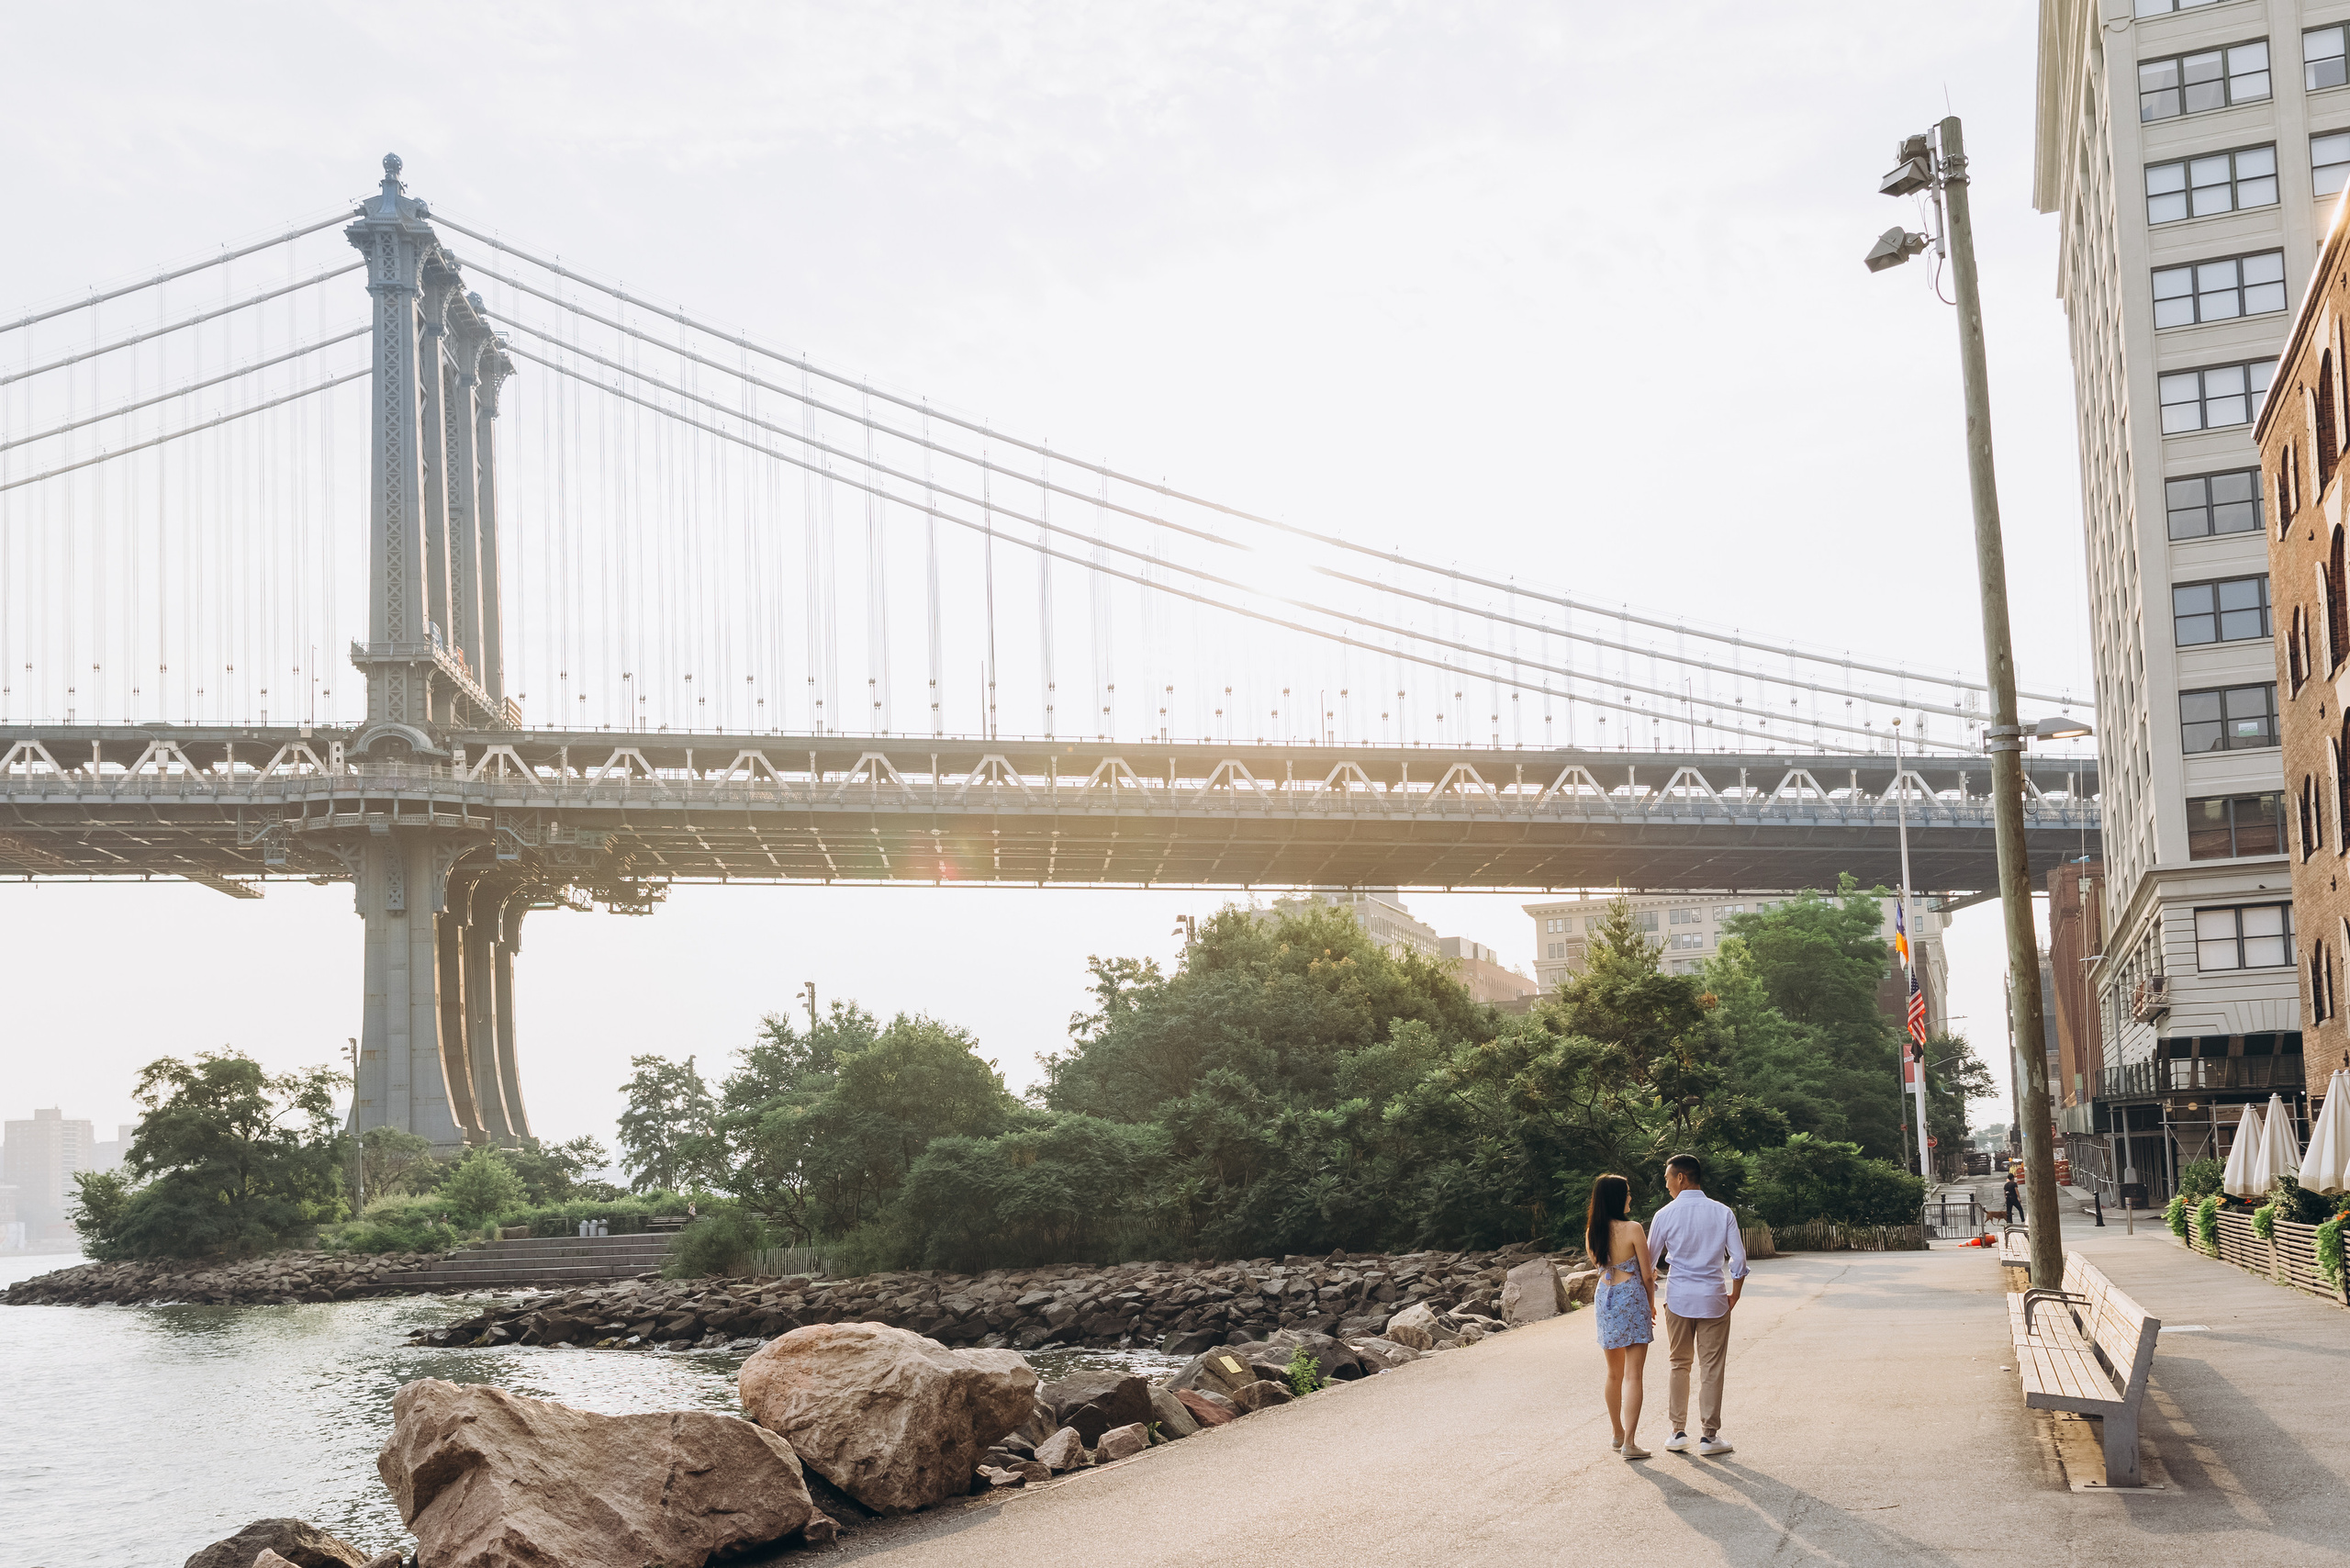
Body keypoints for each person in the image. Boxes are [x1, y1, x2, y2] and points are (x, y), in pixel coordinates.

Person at [1644, 1152, 1747, 1457]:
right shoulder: (1722, 1212)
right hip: (1714, 1298)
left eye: (1667, 1179)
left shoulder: (1664, 1215)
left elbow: (1648, 1263)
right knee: (1712, 1367)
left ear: (1681, 1177)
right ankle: (1709, 1437)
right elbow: (1738, 1259)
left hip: (1678, 1298)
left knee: (1679, 1363)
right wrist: (1735, 1294)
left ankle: (1677, 1432)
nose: (1666, 1185)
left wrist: (1650, 1299)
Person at [1585, 1172, 1658, 1460]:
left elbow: (1601, 1267)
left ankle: (1617, 1433)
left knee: (1613, 1373)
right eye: (1627, 1192)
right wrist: (1650, 1304)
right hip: (1632, 1297)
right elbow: (1647, 1276)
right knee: (1633, 1374)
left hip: (1605, 1297)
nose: (1630, 1197)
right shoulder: (1633, 1228)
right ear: (1617, 1198)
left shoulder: (1592, 1232)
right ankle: (1630, 1442)